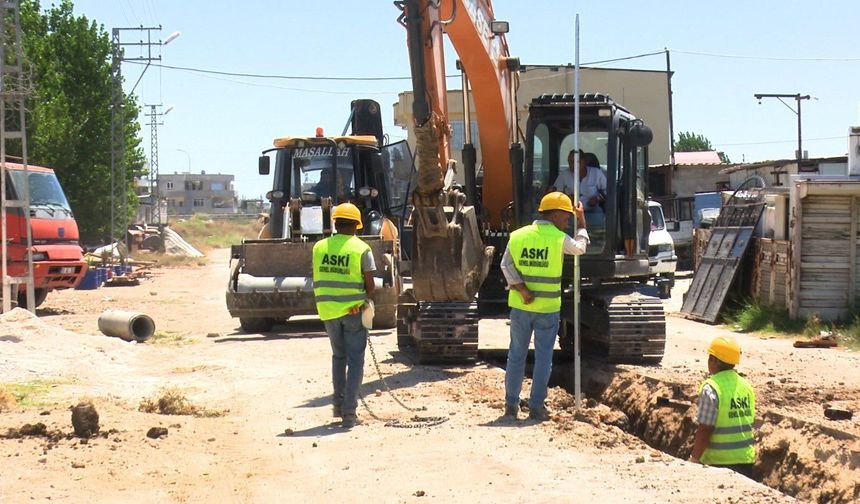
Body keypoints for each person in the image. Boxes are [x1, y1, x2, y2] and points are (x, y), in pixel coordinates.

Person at [500, 192, 588, 421]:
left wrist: (522, 289)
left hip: (521, 307)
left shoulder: (518, 236)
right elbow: (580, 248)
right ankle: (537, 407)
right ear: (556, 215)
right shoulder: (558, 239)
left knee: (516, 356)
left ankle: (511, 405)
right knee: (543, 358)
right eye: (566, 216)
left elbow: (505, 265)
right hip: (547, 310)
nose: (567, 220)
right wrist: (582, 223)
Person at [312, 203, 376, 429]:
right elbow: (370, 286)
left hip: (328, 311)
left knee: (338, 357)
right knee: (355, 359)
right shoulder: (362, 249)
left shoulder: (319, 247)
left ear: (335, 223)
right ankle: (349, 412)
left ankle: (338, 406)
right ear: (357, 225)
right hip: (353, 312)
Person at [689, 336, 756, 477]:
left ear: (713, 360)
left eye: (709, 357)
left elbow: (705, 429)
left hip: (718, 462)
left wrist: (694, 459)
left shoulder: (711, 388)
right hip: (745, 461)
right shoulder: (747, 387)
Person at [551, 149, 607, 228]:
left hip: (592, 210)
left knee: (600, 221)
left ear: (584, 162)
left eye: (576, 162)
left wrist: (597, 198)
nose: (572, 165)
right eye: (570, 162)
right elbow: (555, 194)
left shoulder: (596, 173)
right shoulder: (564, 175)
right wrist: (566, 198)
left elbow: (608, 190)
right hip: (571, 211)